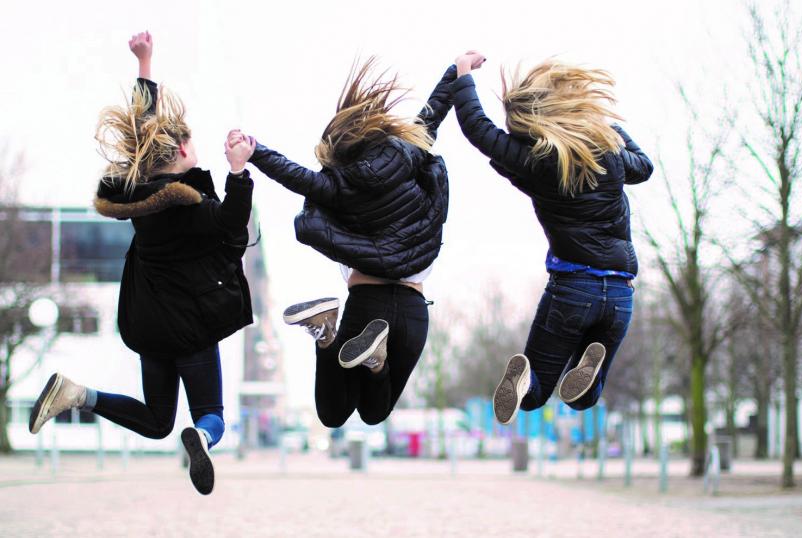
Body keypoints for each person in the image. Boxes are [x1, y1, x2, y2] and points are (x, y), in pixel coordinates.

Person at [28, 31, 256, 495]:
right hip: (191, 327)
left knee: (156, 421)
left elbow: (141, 127)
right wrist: (238, 170)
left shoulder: (139, 200)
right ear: (183, 152)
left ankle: (78, 395)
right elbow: (234, 222)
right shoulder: (193, 206)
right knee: (210, 413)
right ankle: (203, 437)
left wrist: (144, 64)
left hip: (149, 324)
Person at [240, 57, 477, 427]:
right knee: (373, 412)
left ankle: (326, 332)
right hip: (412, 307)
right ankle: (374, 360)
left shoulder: (336, 184)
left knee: (334, 413)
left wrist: (255, 151)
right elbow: (432, 115)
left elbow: (294, 175)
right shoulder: (407, 152)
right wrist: (457, 71)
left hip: (368, 301)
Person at [449, 52, 653, 424]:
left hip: (572, 289)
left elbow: (478, 128)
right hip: (619, 292)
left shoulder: (536, 162)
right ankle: (587, 375)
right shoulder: (610, 155)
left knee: (534, 395)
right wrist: (608, 129)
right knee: (583, 400)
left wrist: (463, 75)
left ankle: (526, 382)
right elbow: (645, 166)